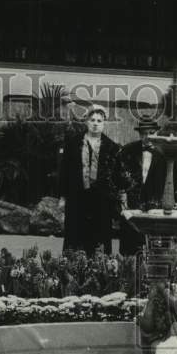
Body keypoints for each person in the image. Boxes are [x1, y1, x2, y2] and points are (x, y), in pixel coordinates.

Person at [60, 104, 120, 256]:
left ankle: (100, 270)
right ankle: (72, 269)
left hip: (101, 200)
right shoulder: (73, 143)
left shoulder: (111, 147)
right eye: (92, 120)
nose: (95, 124)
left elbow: (115, 177)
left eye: (99, 121)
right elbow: (64, 171)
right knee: (75, 234)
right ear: (86, 121)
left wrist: (115, 199)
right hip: (77, 196)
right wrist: (63, 196)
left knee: (99, 236)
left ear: (104, 123)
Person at [114, 117, 167, 257]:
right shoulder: (127, 151)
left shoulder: (165, 154)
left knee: (155, 244)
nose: (147, 136)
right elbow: (117, 174)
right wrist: (122, 193)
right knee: (130, 244)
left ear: (157, 133)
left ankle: (154, 273)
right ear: (139, 134)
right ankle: (129, 272)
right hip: (132, 202)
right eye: (144, 133)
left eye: (151, 132)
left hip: (155, 203)